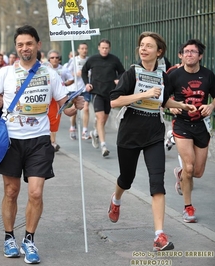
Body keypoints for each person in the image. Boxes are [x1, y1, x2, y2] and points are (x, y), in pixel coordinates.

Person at [0, 25, 85, 264]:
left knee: (36, 192)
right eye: (20, 44)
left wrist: (76, 105)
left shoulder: (50, 74)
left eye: (29, 44)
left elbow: (66, 106)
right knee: (11, 192)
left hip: (39, 141)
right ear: (16, 47)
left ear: (37, 45)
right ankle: (9, 237)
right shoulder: (5, 74)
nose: (25, 48)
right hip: (11, 140)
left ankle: (29, 240)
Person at [108, 31, 196, 251]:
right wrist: (143, 94)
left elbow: (164, 100)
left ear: (159, 52)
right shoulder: (132, 73)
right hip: (129, 133)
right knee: (126, 178)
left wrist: (183, 106)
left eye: (148, 46)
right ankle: (116, 199)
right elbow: (114, 101)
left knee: (157, 182)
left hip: (154, 134)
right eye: (141, 45)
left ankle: (159, 235)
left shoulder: (163, 76)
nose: (143, 49)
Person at [168, 39, 215, 223]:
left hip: (202, 125)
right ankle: (188, 208)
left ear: (200, 56)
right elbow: (164, 99)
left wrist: (211, 107)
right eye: (186, 51)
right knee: (189, 167)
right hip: (182, 124)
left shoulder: (209, 75)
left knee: (197, 172)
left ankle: (181, 175)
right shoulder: (174, 76)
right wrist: (171, 108)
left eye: (193, 52)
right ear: (181, 55)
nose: (189, 54)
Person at [82, 39, 125, 157]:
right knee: (100, 118)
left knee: (104, 119)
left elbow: (122, 72)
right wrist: (87, 83)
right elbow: (84, 71)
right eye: (103, 48)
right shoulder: (92, 60)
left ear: (109, 48)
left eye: (107, 48)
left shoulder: (114, 60)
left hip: (110, 93)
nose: (104, 50)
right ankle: (103, 145)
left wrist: (118, 80)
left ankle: (95, 133)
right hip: (97, 92)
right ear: (98, 48)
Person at [47, 49, 74, 151]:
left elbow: (71, 79)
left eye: (56, 58)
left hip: (58, 97)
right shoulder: (45, 69)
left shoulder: (63, 69)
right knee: (46, 118)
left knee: (55, 118)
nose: (54, 60)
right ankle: (49, 141)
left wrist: (64, 84)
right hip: (47, 97)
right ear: (49, 59)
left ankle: (53, 142)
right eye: (52, 58)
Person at [68, 43, 90, 140]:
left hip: (85, 88)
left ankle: (84, 130)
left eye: (85, 48)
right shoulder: (74, 60)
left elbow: (92, 71)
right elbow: (67, 72)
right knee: (74, 110)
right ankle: (72, 127)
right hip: (75, 88)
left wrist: (87, 74)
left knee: (86, 108)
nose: (84, 50)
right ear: (78, 50)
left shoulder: (89, 60)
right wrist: (75, 74)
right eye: (82, 48)